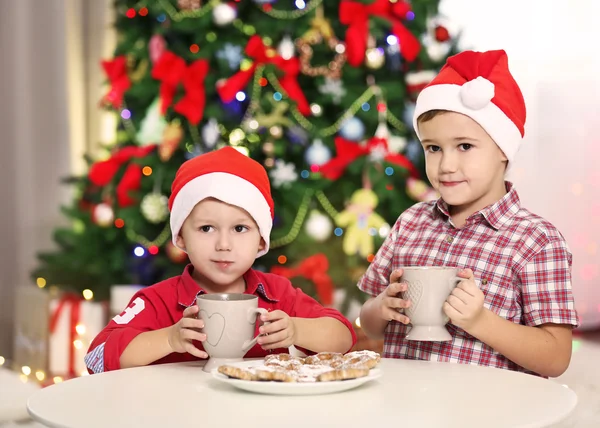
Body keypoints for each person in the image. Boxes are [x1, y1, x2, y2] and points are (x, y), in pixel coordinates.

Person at [357, 49, 578, 377]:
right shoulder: (411, 223)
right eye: (433, 148)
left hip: (487, 412)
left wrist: (480, 321)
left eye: (464, 146)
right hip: (404, 404)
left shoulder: (536, 240)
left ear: (504, 150)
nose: (446, 165)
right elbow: (371, 326)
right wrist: (381, 307)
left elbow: (556, 358)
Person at [85, 146, 356, 374]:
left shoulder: (277, 295)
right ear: (180, 237)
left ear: (261, 240)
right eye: (206, 228)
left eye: (240, 229)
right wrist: (168, 339)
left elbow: (343, 336)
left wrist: (296, 330)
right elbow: (96, 357)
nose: (223, 245)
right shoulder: (157, 302)